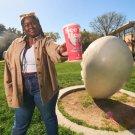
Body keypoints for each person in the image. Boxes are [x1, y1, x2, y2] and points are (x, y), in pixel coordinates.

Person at [4, 12, 68, 135]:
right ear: (23, 28)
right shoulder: (15, 44)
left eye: (33, 23)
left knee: (49, 119)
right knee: (19, 124)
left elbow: (54, 49)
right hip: (21, 87)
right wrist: (10, 85)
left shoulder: (46, 41)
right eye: (27, 24)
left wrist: (60, 51)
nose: (31, 26)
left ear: (38, 25)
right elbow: (8, 64)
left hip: (43, 85)